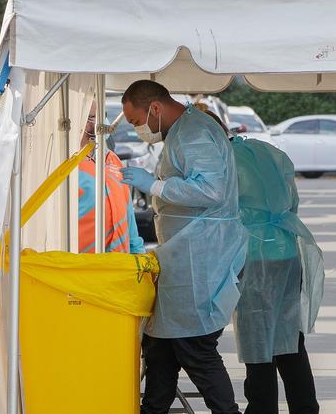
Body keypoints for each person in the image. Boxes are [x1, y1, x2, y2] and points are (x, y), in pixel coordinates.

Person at [119, 80, 248, 414]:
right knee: (160, 348)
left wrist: (155, 185)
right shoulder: (181, 130)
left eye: (137, 121)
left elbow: (211, 190)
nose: (138, 130)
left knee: (195, 348)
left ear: (156, 108)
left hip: (201, 257)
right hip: (185, 254)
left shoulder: (192, 133)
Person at [203, 110, 324, 414]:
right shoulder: (263, 151)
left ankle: (262, 408)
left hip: (255, 258)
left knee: (259, 344)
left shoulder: (223, 164)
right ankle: (306, 407)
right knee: (289, 340)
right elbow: (291, 202)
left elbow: (215, 216)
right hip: (286, 251)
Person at [78, 102, 146, 254]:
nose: (101, 123)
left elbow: (129, 220)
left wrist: (139, 257)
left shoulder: (112, 160)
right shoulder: (68, 166)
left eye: (103, 116)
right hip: (82, 269)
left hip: (118, 268)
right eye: (93, 117)